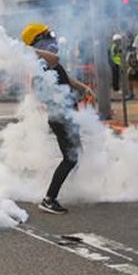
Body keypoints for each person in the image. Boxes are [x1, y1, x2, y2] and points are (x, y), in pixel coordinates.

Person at [21, 23, 95, 215]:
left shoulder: (46, 62)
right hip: (59, 117)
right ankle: (49, 198)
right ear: (38, 42)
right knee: (70, 158)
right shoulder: (40, 63)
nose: (53, 39)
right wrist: (32, 51)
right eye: (48, 36)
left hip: (68, 114)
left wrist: (83, 88)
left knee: (76, 153)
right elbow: (55, 60)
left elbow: (65, 77)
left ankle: (70, 188)